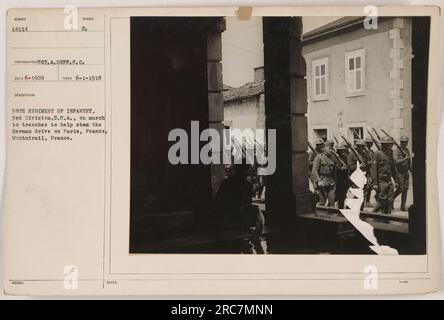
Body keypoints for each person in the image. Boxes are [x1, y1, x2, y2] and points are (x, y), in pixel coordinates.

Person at [213, 162, 265, 253]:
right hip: (237, 219)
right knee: (258, 214)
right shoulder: (246, 183)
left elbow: (218, 202)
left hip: (227, 218)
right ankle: (257, 241)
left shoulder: (226, 182)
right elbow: (246, 204)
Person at [371, 136, 398, 214]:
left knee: (390, 199)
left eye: (388, 144)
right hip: (381, 180)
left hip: (388, 179)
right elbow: (373, 169)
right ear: (381, 145)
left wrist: (396, 180)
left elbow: (393, 167)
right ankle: (372, 214)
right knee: (382, 199)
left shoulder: (390, 153)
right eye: (384, 144)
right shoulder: (377, 154)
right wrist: (375, 183)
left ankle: (387, 216)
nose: (386, 146)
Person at [347, 139, 372, 208]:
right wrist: (358, 166)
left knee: (363, 194)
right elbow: (349, 166)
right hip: (355, 176)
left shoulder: (365, 154)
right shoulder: (351, 154)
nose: (362, 148)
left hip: (363, 176)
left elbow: (367, 166)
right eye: (360, 146)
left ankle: (361, 210)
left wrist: (369, 176)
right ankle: (350, 207)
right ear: (357, 146)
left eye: (363, 146)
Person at [311, 139, 336, 207]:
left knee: (332, 201)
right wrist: (318, 181)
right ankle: (317, 214)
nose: (331, 150)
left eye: (332, 148)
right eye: (329, 148)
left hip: (331, 182)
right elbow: (314, 171)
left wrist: (335, 181)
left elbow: (334, 171)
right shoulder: (318, 157)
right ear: (324, 148)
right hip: (321, 182)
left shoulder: (333, 157)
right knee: (322, 201)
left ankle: (331, 216)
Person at [393, 135, 412, 211]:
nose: (405, 143)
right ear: (401, 142)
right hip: (399, 172)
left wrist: (411, 170)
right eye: (404, 142)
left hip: (405, 172)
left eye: (406, 142)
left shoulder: (406, 150)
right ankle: (391, 200)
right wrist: (405, 159)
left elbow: (409, 161)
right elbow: (395, 161)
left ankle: (403, 206)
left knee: (405, 189)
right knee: (400, 188)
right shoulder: (396, 150)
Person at [334, 143, 350, 209]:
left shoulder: (344, 157)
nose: (342, 151)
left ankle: (341, 208)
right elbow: (333, 167)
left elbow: (348, 164)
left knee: (343, 194)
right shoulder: (334, 157)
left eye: (342, 150)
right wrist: (340, 169)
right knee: (337, 195)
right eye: (340, 150)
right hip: (336, 178)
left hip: (344, 178)